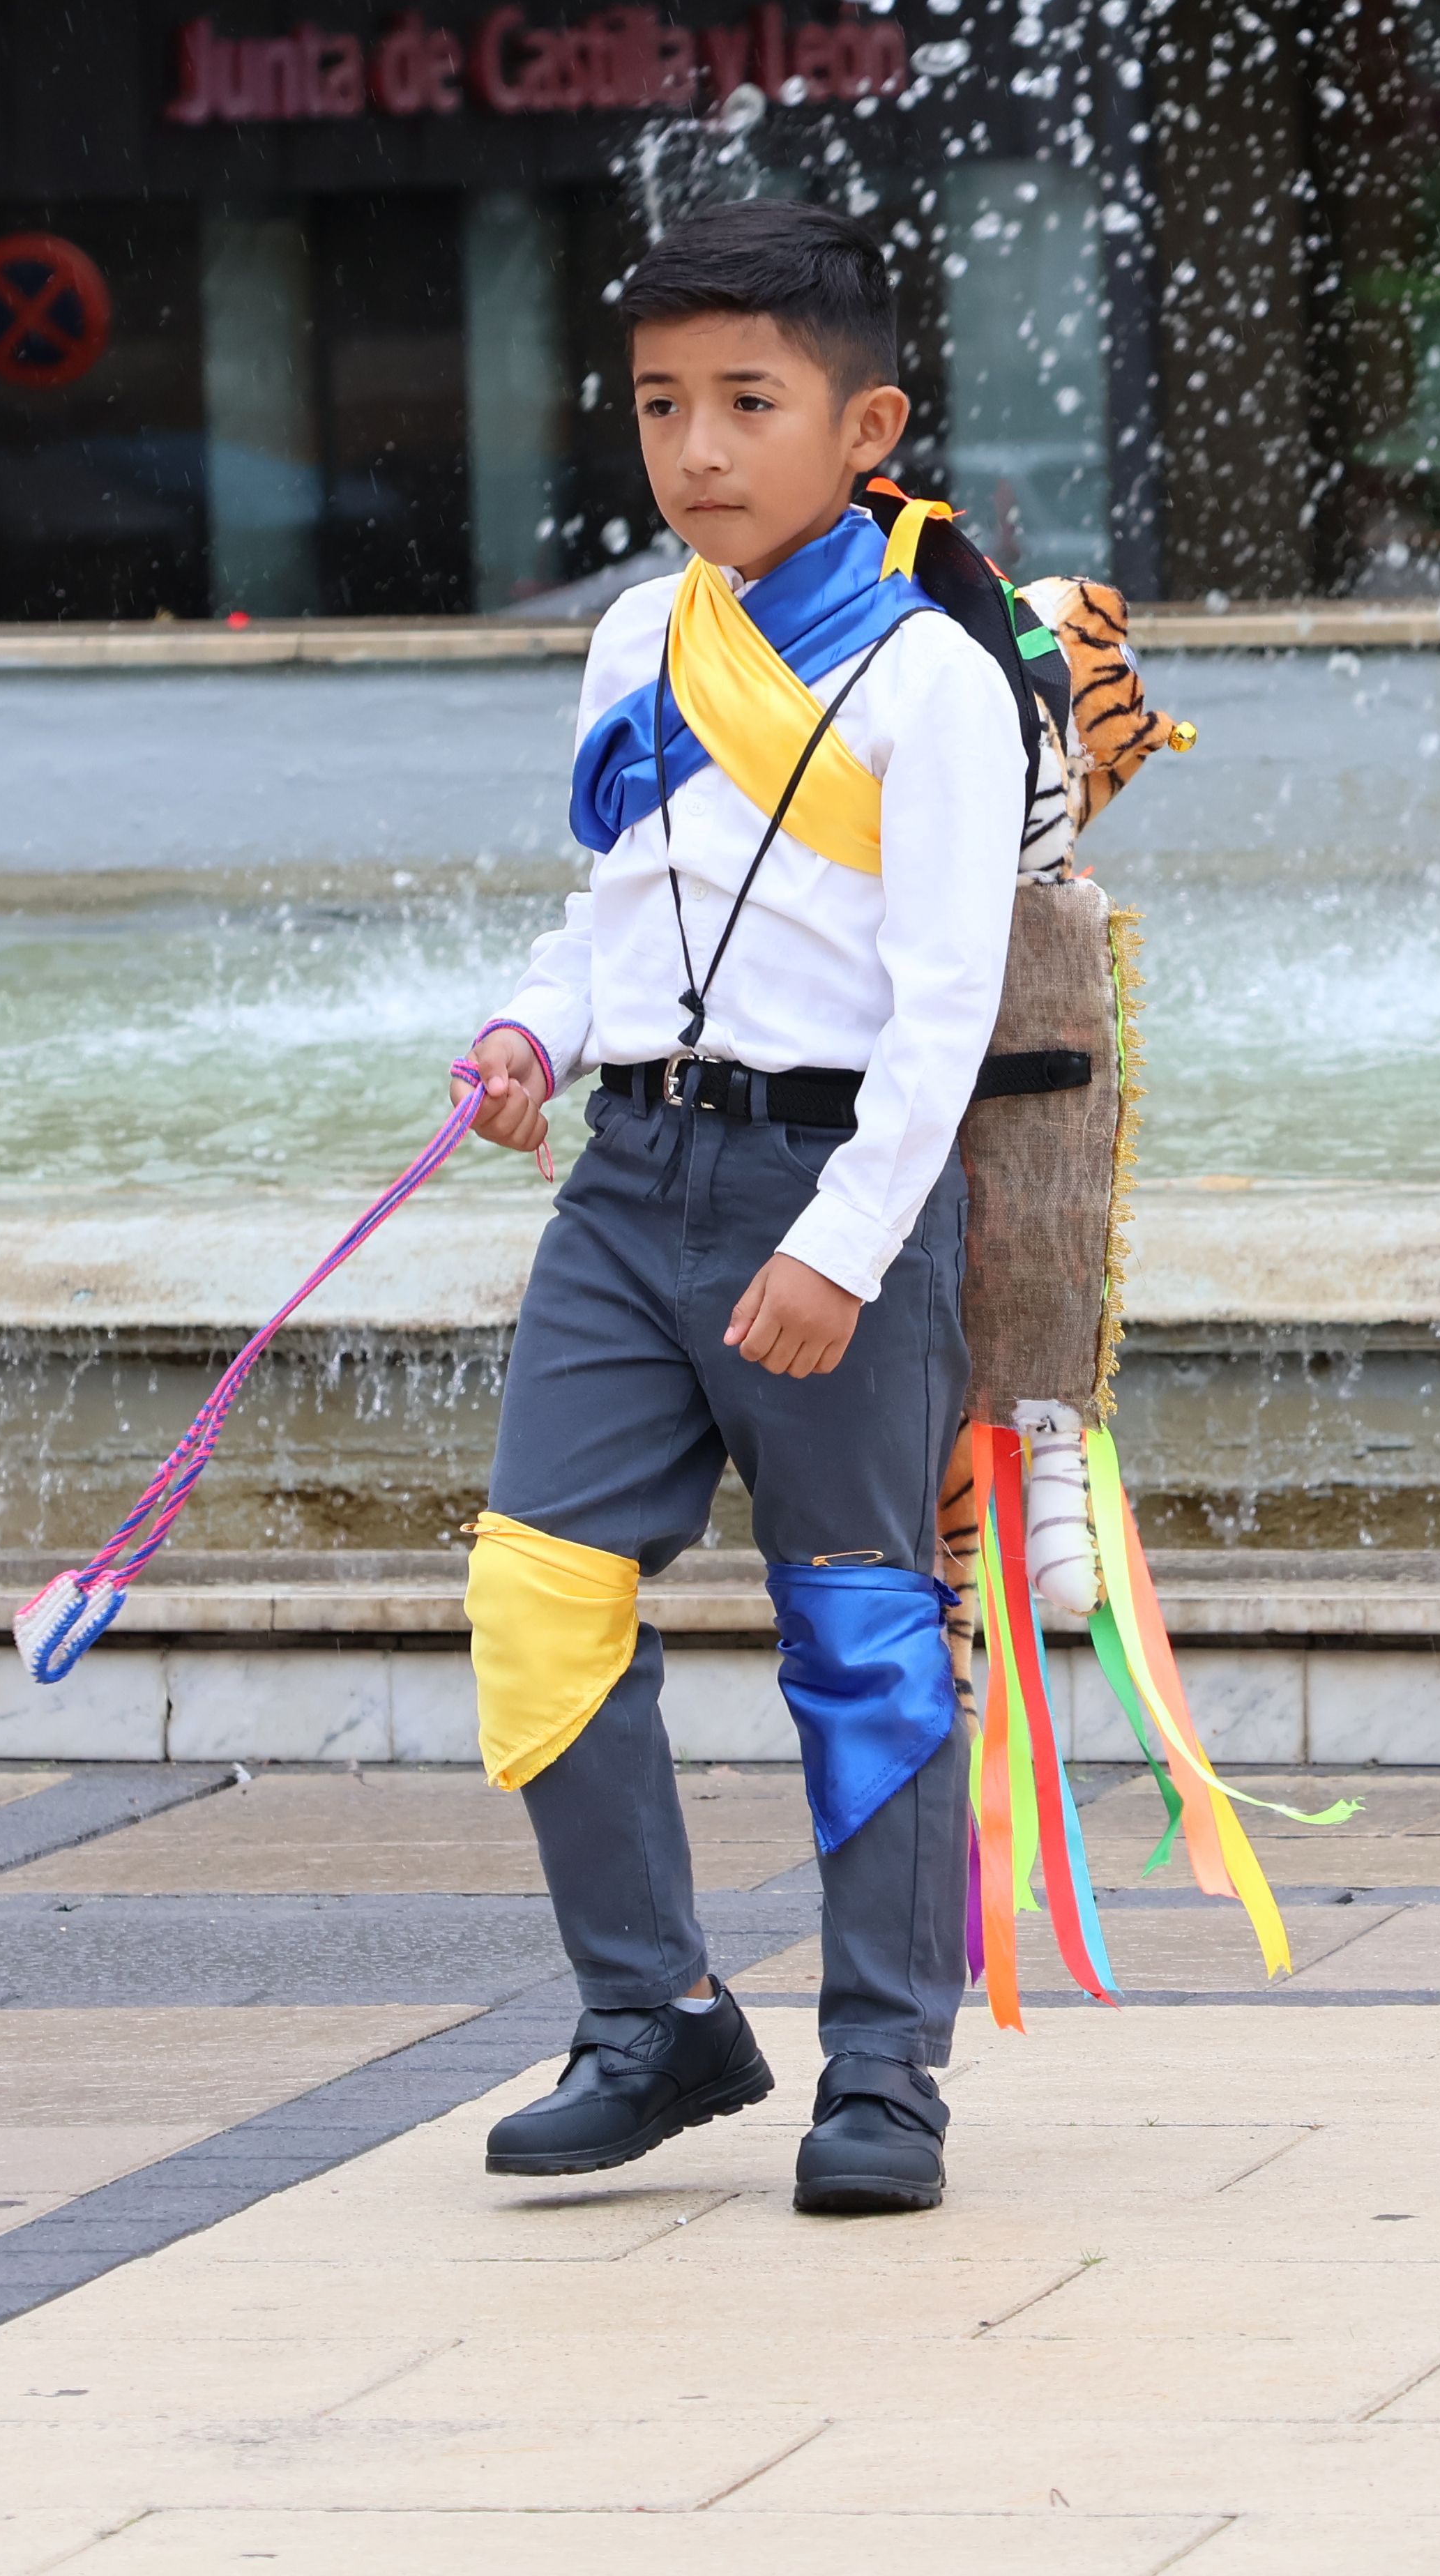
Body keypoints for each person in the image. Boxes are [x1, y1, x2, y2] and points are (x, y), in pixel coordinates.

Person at [456, 199, 1019, 2216]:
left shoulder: (933, 682)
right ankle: (656, 2016)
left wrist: (846, 1243)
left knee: (862, 1632)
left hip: (830, 1185)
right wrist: (533, 1031)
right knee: (534, 1589)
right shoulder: (636, 638)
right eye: (659, 404)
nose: (696, 448)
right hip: (631, 1184)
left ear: (865, 426)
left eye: (748, 404)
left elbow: (949, 1003)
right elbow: (614, 916)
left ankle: (886, 2073)